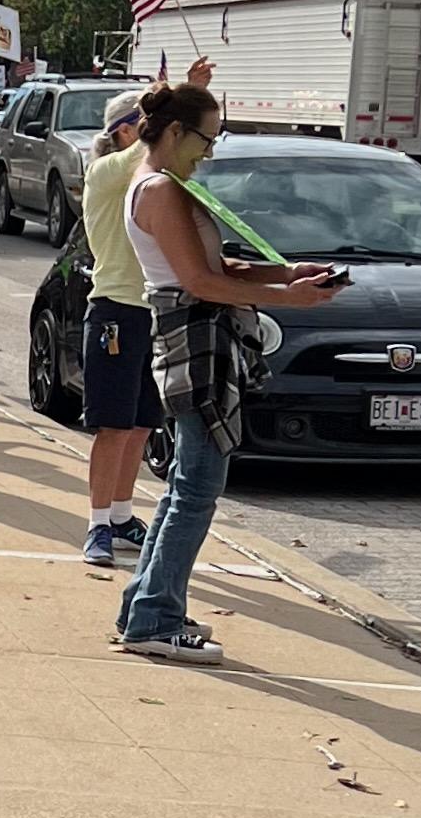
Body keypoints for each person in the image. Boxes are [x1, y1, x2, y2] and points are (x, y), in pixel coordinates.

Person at [118, 78, 335, 663]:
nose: (209, 152)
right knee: (197, 488)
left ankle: (148, 604)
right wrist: (292, 298)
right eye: (206, 140)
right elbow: (198, 281)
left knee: (187, 485)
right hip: (195, 332)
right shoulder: (161, 189)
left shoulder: (165, 184)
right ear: (174, 132)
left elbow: (216, 264)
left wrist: (285, 275)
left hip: (199, 330)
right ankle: (153, 619)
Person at [76, 59, 216, 568]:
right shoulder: (106, 171)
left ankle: (119, 513)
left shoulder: (152, 177)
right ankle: (96, 525)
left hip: (154, 308)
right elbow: (149, 148)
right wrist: (183, 97)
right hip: (115, 307)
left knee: (139, 424)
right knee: (112, 426)